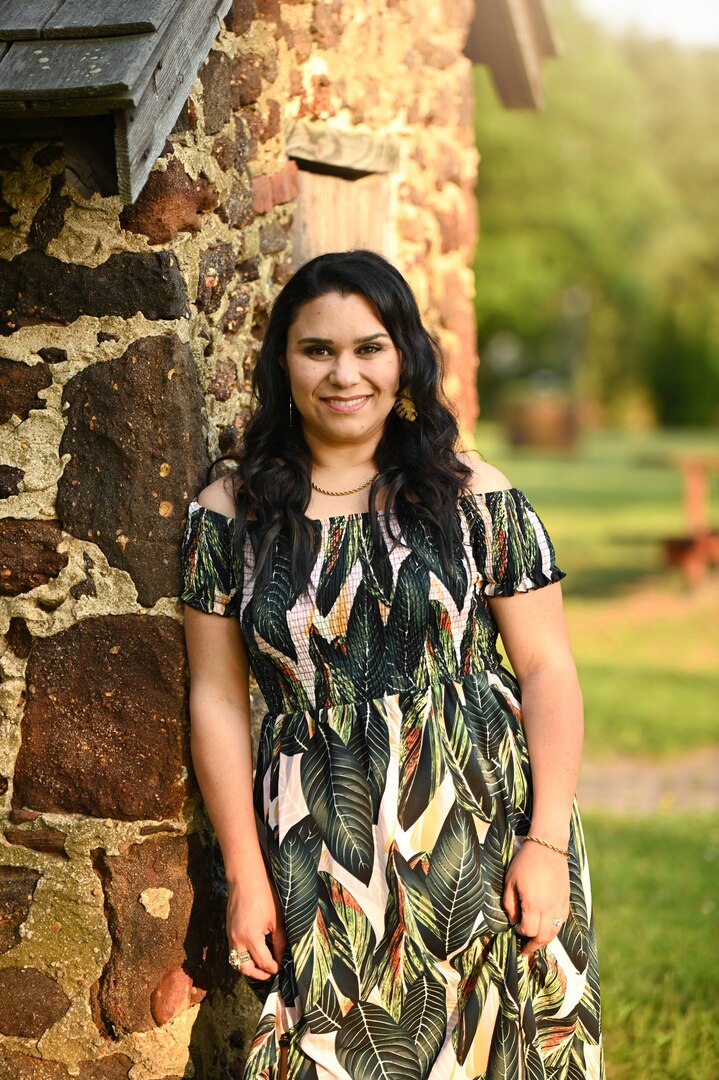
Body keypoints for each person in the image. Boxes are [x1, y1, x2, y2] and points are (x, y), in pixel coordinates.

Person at [180, 250, 604, 1080]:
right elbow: (217, 700)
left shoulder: (471, 493)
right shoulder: (230, 509)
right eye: (318, 350)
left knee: (501, 1052)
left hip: (483, 830)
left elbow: (548, 668)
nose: (345, 374)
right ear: (282, 363)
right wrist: (244, 875)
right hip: (318, 846)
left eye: (369, 348)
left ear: (403, 356)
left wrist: (546, 843)